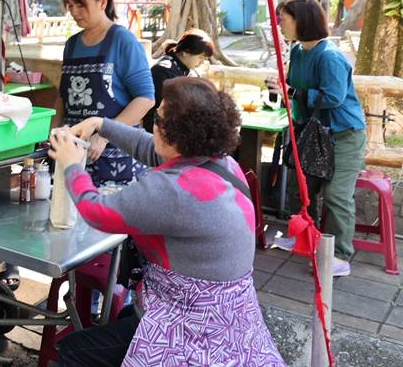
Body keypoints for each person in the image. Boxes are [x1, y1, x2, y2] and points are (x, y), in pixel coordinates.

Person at [50, 77, 285, 366]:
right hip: (233, 321)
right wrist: (101, 124)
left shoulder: (172, 190)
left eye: (157, 118)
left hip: (189, 329)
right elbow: (153, 149)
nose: (152, 123)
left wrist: (72, 164)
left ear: (176, 133)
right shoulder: (223, 164)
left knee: (74, 349)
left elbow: (97, 211)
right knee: (123, 320)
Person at [269, 0, 366, 276]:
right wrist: (280, 89)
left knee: (336, 196)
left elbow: (333, 97)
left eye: (283, 19)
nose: (279, 25)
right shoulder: (299, 51)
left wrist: (291, 93)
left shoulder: (329, 56)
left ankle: (339, 256)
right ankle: (302, 238)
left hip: (343, 135)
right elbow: (293, 86)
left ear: (302, 21)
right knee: (302, 189)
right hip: (311, 131)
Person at [58, 0, 154, 186]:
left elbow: (146, 99)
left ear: (102, 2)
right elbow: (63, 97)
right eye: (70, 5)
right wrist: (55, 132)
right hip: (76, 154)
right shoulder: (71, 45)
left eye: (80, 5)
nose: (74, 12)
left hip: (117, 156)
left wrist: (104, 135)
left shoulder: (122, 40)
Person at [141, 29, 215, 132]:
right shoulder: (163, 71)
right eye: (200, 57)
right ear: (185, 52)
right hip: (160, 131)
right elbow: (170, 109)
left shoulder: (187, 70)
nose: (202, 62)